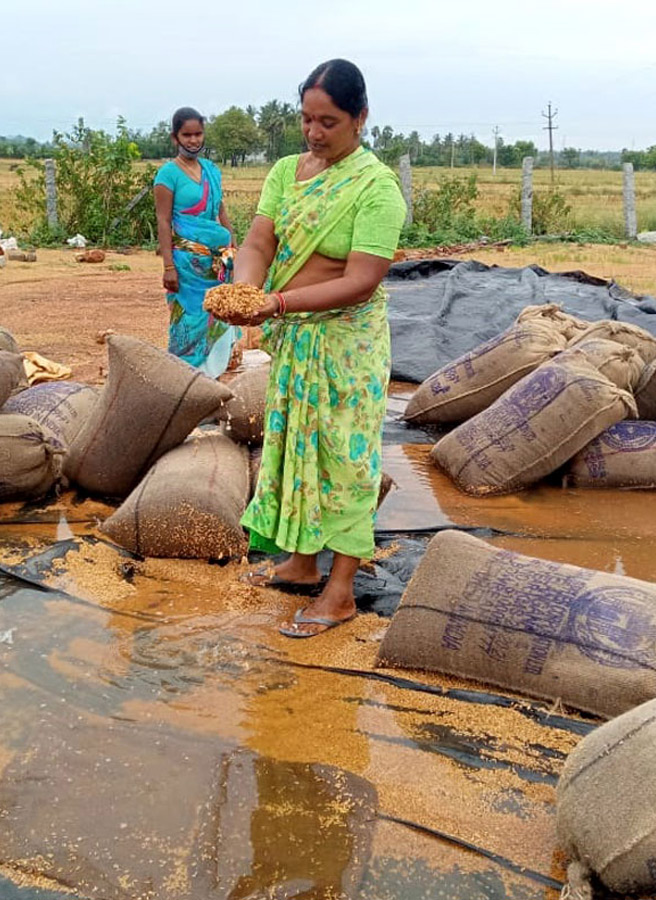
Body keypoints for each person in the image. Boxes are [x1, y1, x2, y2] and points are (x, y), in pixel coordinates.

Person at [218, 59, 406, 638]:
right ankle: (301, 565)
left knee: (345, 459)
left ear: (360, 119)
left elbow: (361, 280)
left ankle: (342, 590)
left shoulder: (377, 190)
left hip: (347, 344)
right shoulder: (284, 172)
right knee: (295, 447)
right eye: (307, 119)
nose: (315, 132)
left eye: (328, 121)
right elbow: (259, 240)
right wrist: (244, 290)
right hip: (298, 344)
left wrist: (273, 306)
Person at [153, 107, 242, 377]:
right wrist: (169, 267)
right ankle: (187, 383)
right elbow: (163, 221)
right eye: (187, 135)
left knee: (219, 318)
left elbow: (220, 209)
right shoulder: (168, 175)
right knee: (189, 321)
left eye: (198, 134)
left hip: (218, 265)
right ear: (175, 138)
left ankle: (215, 381)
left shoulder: (211, 171)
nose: (193, 140)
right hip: (187, 266)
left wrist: (234, 246)